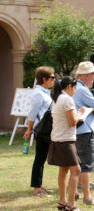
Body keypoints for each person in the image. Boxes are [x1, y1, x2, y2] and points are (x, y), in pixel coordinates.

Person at [48, 77, 85, 211]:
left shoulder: (57, 98)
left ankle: (62, 201)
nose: (75, 91)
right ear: (69, 86)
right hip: (66, 140)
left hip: (57, 139)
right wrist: (80, 113)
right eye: (75, 88)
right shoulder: (67, 100)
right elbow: (72, 122)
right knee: (76, 170)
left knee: (63, 170)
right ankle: (71, 204)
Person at [73, 61, 94, 206]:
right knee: (86, 165)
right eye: (93, 73)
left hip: (77, 131)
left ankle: (77, 191)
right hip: (84, 131)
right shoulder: (82, 89)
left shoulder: (76, 87)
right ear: (84, 76)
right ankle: (87, 197)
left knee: (78, 163)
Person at [24, 66, 56, 197]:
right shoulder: (38, 93)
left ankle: (39, 185)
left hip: (46, 130)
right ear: (44, 79)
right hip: (42, 131)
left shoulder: (44, 92)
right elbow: (32, 113)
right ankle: (37, 189)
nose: (54, 80)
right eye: (52, 77)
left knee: (41, 159)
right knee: (39, 159)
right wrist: (29, 129)